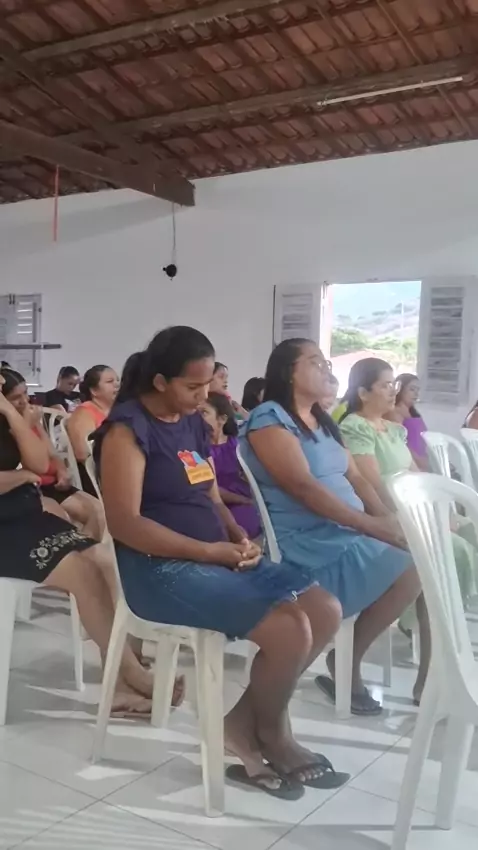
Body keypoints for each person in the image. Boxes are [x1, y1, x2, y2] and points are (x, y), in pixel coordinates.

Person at [95, 326, 350, 798]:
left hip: (214, 555)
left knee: (324, 610)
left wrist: (235, 534)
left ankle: (242, 724)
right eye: (192, 386)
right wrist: (209, 551)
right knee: (290, 627)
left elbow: (208, 491)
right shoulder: (127, 431)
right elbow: (125, 524)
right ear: (159, 381)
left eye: (207, 384)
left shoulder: (190, 420)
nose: (204, 396)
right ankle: (274, 734)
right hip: (158, 570)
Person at [241, 339, 421, 716]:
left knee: (417, 562)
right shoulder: (270, 418)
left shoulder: (321, 420)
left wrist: (384, 518)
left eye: (326, 362)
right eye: (315, 362)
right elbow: (302, 488)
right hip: (310, 545)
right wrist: (371, 527)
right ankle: (337, 669)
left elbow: (355, 477)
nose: (326, 368)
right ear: (289, 373)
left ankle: (348, 659)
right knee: (414, 562)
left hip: (347, 532)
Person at [0, 370, 165, 717]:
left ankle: (119, 684)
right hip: (5, 529)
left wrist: (12, 414)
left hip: (25, 516)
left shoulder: (6, 416)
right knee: (82, 573)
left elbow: (39, 463)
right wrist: (19, 477)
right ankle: (131, 673)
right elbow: (27, 473)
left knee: (105, 561)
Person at [339, 357, 478, 701]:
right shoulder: (356, 426)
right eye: (385, 385)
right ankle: (432, 674)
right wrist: (419, 519)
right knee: (450, 551)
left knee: (469, 532)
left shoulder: (393, 429)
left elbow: (418, 475)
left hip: (416, 510)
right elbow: (373, 484)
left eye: (393, 385)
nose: (393, 391)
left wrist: (442, 510)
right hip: (389, 515)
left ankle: (441, 664)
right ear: (363, 392)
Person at [0, 368, 104, 540]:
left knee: (98, 511)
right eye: (16, 398)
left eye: (25, 393)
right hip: (32, 487)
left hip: (48, 481)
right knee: (63, 520)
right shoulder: (10, 426)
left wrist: (62, 469)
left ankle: (87, 546)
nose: (25, 401)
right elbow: (33, 466)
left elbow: (51, 453)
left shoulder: (30, 415)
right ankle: (79, 547)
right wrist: (25, 425)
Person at [200, 392, 261, 540]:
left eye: (203, 412)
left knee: (245, 524)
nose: (196, 418)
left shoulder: (239, 444)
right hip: (214, 502)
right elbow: (210, 489)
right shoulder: (197, 449)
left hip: (244, 502)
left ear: (222, 419)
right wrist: (242, 500)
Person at [66, 365, 119, 495]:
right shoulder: (84, 412)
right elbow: (83, 453)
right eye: (110, 381)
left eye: (118, 380)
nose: (117, 385)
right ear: (94, 390)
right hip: (95, 477)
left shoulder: (118, 411)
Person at [387, 373, 428, 471]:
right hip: (409, 463)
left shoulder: (414, 413)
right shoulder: (394, 412)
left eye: (418, 390)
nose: (416, 394)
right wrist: (417, 461)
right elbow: (399, 443)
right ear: (400, 389)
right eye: (412, 389)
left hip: (422, 461)